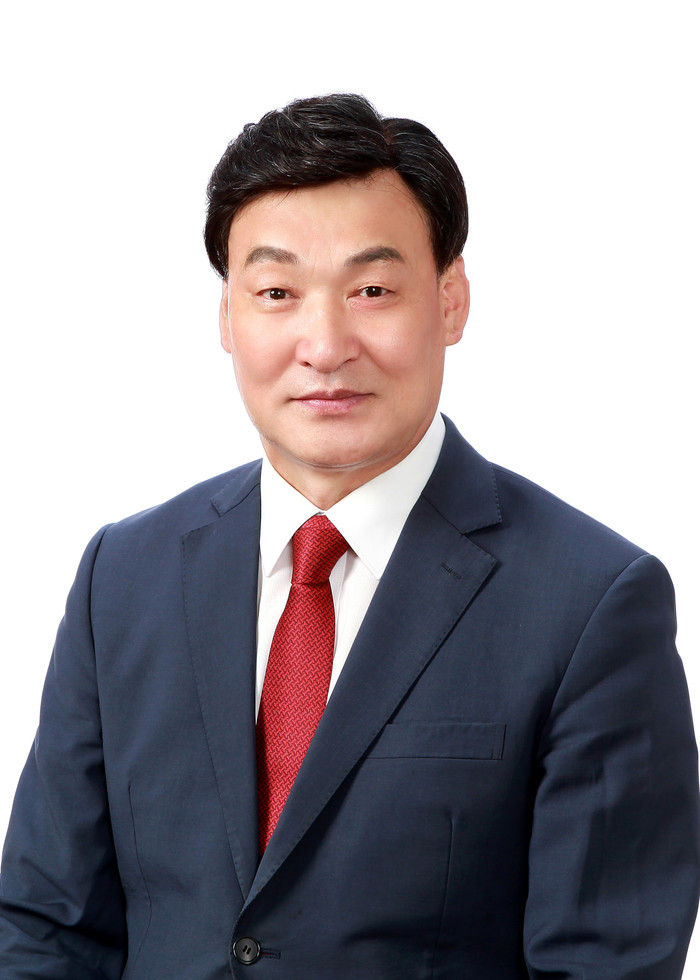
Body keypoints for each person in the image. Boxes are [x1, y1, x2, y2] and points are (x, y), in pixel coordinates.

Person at [0, 93, 698, 980]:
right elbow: (46, 931)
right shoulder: (124, 577)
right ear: (227, 316)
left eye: (372, 291)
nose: (325, 345)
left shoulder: (591, 602)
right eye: (277, 293)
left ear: (451, 301)